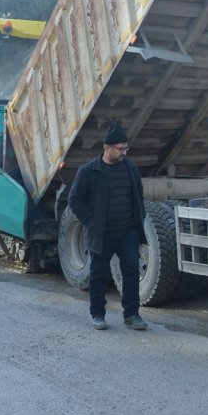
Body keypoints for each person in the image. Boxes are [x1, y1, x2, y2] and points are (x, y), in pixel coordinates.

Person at [67, 122, 149, 331]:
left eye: (126, 149)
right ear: (107, 148)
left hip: (127, 232)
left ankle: (132, 315)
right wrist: (91, 221)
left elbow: (138, 196)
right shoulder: (89, 172)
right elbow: (75, 200)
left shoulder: (130, 169)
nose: (124, 152)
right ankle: (98, 314)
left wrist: (139, 218)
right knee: (98, 274)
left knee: (131, 271)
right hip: (101, 233)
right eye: (120, 149)